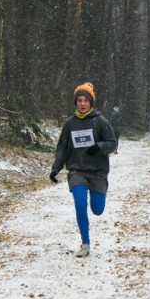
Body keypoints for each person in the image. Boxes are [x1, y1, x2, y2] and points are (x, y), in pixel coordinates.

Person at [50, 82, 117, 257]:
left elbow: (112, 143)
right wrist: (55, 168)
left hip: (97, 172)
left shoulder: (100, 121)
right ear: (75, 103)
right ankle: (85, 243)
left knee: (97, 210)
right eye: (79, 100)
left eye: (85, 100)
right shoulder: (70, 123)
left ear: (91, 102)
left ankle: (97, 199)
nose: (82, 104)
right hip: (77, 171)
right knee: (80, 204)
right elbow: (62, 148)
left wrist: (99, 146)